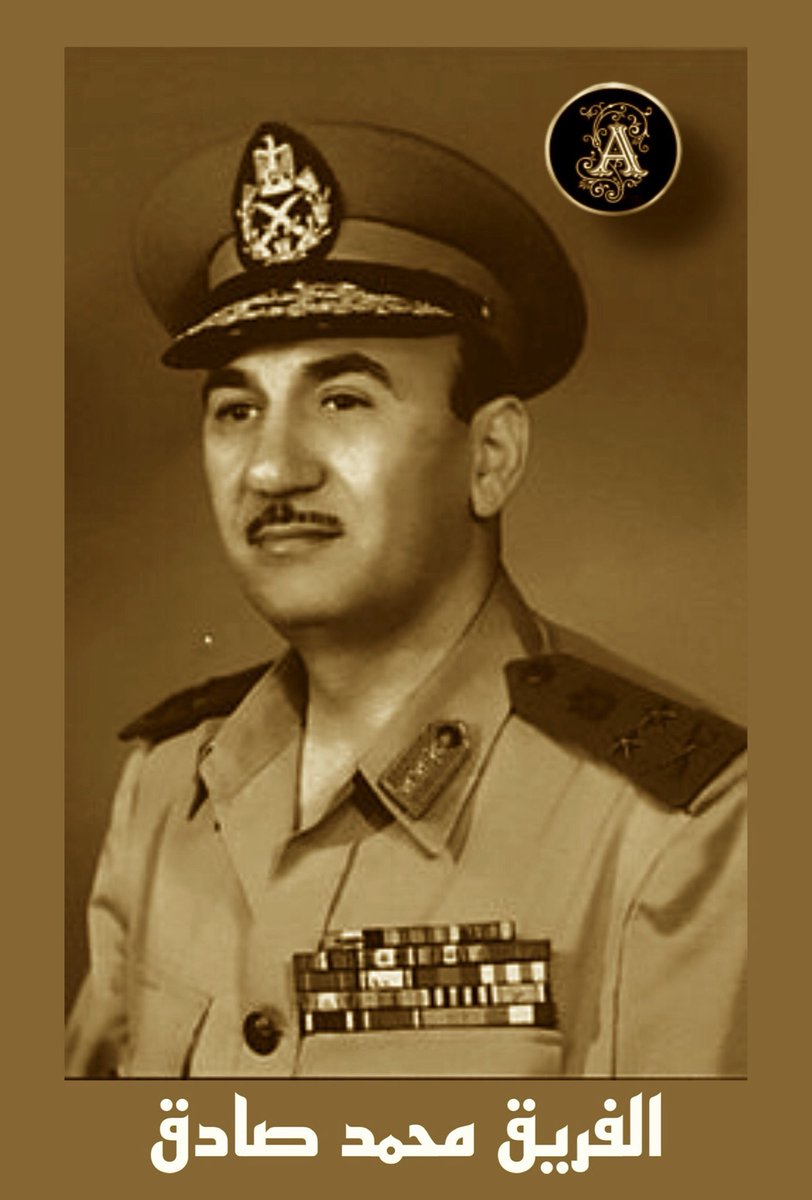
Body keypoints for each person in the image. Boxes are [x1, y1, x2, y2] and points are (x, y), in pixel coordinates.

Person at [66, 120, 746, 1079]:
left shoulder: (687, 826)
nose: (271, 468)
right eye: (237, 409)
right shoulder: (166, 786)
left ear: (491, 457)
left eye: (343, 399)